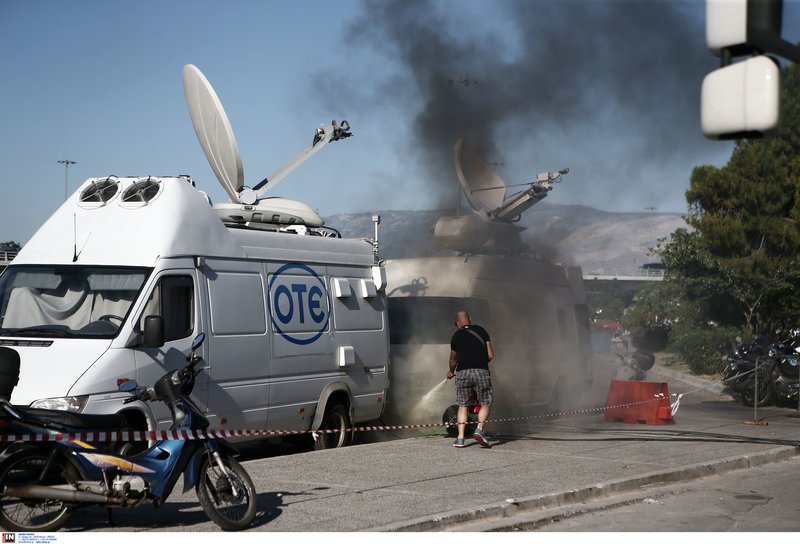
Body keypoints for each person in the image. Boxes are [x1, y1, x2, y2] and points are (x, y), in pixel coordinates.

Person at [446, 310, 494, 448]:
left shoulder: (456, 335)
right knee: (485, 402)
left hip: (462, 373)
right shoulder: (481, 331)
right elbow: (490, 355)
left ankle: (460, 439)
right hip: (481, 371)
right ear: (470, 319)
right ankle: (479, 429)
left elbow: (453, 359)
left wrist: (450, 371)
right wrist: (479, 362)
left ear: (457, 323)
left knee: (463, 405)